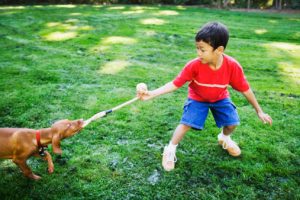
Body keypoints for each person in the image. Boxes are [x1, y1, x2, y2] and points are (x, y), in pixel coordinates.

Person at [136, 22, 272, 171]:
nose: (198, 53)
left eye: (202, 50)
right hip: (197, 98)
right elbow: (175, 83)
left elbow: (246, 90)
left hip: (220, 97)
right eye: (197, 48)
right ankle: (170, 149)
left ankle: (224, 138)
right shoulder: (194, 65)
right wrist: (152, 94)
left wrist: (259, 111)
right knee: (186, 123)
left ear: (219, 50)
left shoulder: (232, 66)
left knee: (232, 123)